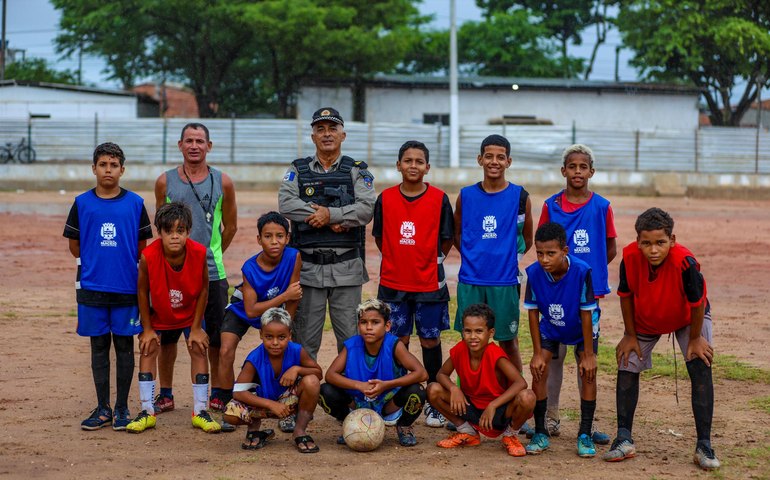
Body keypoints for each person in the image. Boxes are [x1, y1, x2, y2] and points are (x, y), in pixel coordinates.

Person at [603, 208, 720, 470]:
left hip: (688, 317)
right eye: (646, 243)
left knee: (700, 364)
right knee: (627, 361)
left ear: (672, 240)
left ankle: (704, 445)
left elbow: (697, 302)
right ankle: (623, 437)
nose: (653, 250)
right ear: (637, 242)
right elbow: (625, 295)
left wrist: (695, 339)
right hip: (647, 317)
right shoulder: (630, 257)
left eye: (660, 243)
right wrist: (630, 335)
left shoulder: (685, 262)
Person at [63, 142, 153, 430]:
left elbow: (142, 247)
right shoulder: (81, 203)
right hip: (92, 288)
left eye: (114, 165)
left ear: (122, 170)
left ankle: (122, 409)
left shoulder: (136, 204)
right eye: (103, 164)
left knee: (125, 347)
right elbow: (74, 247)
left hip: (127, 289)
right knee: (99, 347)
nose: (108, 170)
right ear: (94, 168)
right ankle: (102, 408)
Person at [278, 107, 375, 360]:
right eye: (320, 129)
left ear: (343, 135)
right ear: (313, 137)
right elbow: (286, 204)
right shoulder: (298, 169)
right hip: (308, 271)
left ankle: (352, 397)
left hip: (347, 269)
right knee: (304, 342)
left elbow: (366, 210)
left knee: (351, 343)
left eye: (333, 129)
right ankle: (301, 395)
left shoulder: (357, 170)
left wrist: (330, 215)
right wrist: (333, 215)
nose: (327, 134)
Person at [154, 122, 237, 415]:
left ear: (209, 146)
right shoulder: (165, 181)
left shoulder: (223, 181)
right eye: (188, 140)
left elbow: (230, 227)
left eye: (200, 141)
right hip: (170, 272)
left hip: (212, 274)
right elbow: (160, 226)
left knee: (211, 338)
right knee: (167, 337)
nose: (194, 146)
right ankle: (165, 393)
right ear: (179, 145)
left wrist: (207, 256)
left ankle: (215, 392)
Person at [535, 144, 616, 444]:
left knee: (586, 357)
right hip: (554, 292)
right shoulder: (551, 205)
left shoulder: (602, 206)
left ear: (591, 171)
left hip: (587, 296)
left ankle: (588, 423)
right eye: (573, 167)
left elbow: (609, 249)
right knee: (554, 357)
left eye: (583, 167)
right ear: (564, 171)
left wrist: (583, 275)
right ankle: (551, 418)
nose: (578, 172)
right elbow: (542, 244)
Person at [372, 140, 454, 428]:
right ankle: (396, 396)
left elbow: (447, 239)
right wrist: (399, 259)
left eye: (419, 161)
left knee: (430, 340)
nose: (413, 166)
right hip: (394, 284)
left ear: (428, 167)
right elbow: (380, 237)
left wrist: (425, 262)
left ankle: (434, 400)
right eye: (408, 160)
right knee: (399, 342)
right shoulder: (385, 198)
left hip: (429, 284)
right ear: (398, 165)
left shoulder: (440, 199)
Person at [125, 202, 221, 434]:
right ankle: (147, 411)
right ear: (160, 232)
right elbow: (141, 292)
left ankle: (200, 410)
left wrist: (197, 326)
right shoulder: (148, 256)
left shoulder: (199, 253)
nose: (175, 236)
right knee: (148, 347)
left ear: (188, 231)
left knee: (199, 347)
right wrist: (147, 328)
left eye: (180, 231)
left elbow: (204, 290)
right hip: (159, 312)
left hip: (189, 312)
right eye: (169, 231)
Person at [453, 134, 533, 373]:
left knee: (508, 341)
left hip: (504, 280)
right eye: (489, 156)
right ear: (480, 159)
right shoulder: (466, 196)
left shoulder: (520, 196)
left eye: (500, 157)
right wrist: (474, 257)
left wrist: (507, 258)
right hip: (471, 280)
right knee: (471, 342)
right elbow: (457, 234)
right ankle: (470, 394)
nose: (494, 162)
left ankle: (516, 394)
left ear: (509, 161)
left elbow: (527, 238)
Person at [218, 211, 302, 432]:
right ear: (259, 239)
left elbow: (294, 299)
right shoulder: (250, 267)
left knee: (285, 350)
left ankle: (286, 405)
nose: (274, 241)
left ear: (287, 238)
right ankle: (230, 401)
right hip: (243, 309)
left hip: (275, 312)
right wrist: (283, 297)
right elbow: (251, 310)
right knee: (225, 349)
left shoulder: (294, 257)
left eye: (279, 236)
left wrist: (285, 326)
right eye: (267, 236)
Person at [523, 222, 599, 457]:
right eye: (540, 253)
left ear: (565, 251)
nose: (544, 259)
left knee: (587, 372)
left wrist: (587, 354)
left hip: (581, 326)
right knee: (539, 369)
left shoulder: (581, 271)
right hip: (551, 327)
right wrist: (537, 352)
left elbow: (586, 313)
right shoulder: (534, 273)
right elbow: (533, 313)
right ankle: (540, 431)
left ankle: (585, 433)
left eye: (551, 253)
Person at [428, 304, 535, 457]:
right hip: (470, 407)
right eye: (468, 331)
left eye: (479, 331)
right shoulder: (460, 349)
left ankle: (510, 435)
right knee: (433, 389)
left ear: (490, 332)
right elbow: (441, 375)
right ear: (462, 331)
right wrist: (453, 388)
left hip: (498, 412)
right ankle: (467, 431)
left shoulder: (495, 354)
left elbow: (521, 383)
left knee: (528, 397)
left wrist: (493, 405)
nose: (473, 336)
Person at [319, 299, 428, 447]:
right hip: (358, 402)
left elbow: (421, 373)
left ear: (387, 326)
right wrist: (359, 386)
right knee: (324, 391)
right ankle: (350, 423)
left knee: (418, 391)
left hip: (389, 403)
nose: (368, 327)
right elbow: (330, 375)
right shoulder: (352, 345)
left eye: (375, 322)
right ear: (358, 325)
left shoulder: (394, 345)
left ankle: (404, 426)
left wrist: (386, 385)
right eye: (364, 322)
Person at [223, 307, 322, 453]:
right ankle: (254, 430)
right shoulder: (255, 358)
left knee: (312, 381)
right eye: (269, 337)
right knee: (229, 414)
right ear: (261, 335)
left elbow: (318, 373)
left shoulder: (296, 350)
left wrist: (297, 369)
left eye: (281, 337)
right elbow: (238, 392)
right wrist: (271, 404)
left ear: (290, 335)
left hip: (288, 404)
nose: (275, 342)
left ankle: (300, 431)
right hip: (262, 405)